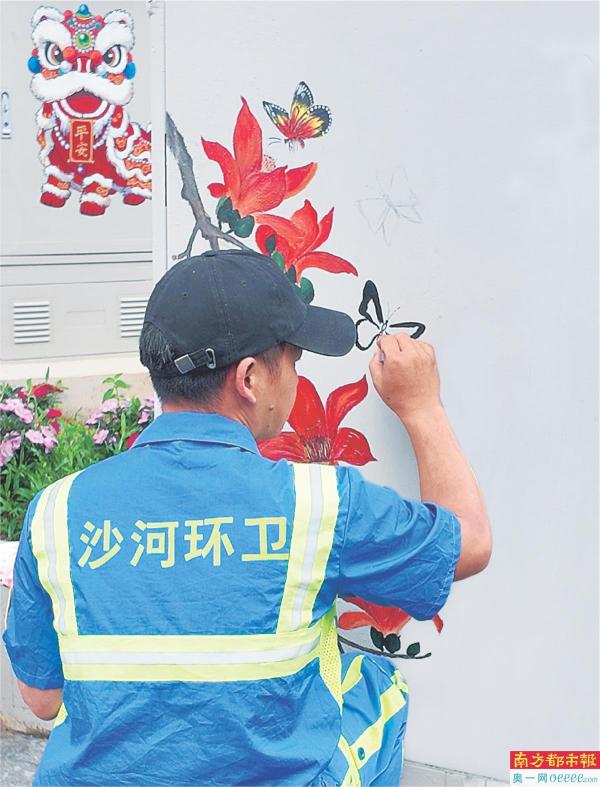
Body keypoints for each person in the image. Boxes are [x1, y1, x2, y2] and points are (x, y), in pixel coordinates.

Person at [3, 249, 491, 786]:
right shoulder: (318, 504)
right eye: (294, 360)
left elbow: (43, 698)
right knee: (376, 684)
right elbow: (469, 542)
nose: (297, 377)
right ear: (251, 379)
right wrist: (422, 407)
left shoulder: (56, 509)